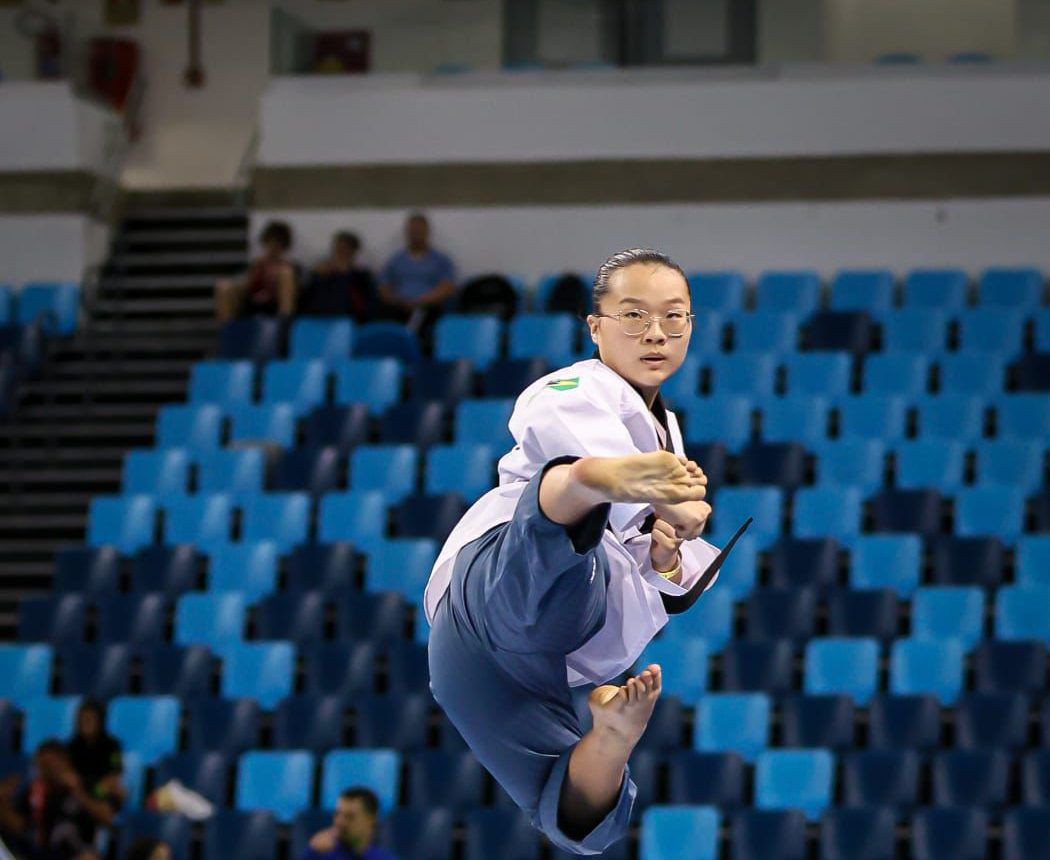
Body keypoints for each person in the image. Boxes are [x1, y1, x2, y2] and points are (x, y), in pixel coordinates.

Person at [425, 249, 748, 855]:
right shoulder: (574, 386)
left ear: (691, 327)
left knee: (577, 827)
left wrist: (668, 553)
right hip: (491, 589)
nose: (656, 332)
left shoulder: (667, 428)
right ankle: (581, 481)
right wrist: (651, 497)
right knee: (551, 561)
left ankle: (613, 739)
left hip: (513, 663)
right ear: (595, 327)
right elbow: (550, 413)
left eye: (674, 318)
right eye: (633, 315)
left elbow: (662, 583)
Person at [0, 739, 112, 860]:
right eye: (44, 765)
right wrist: (2, 802)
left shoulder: (88, 784)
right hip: (37, 854)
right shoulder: (33, 791)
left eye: (53, 763)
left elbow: (108, 817)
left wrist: (79, 793)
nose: (50, 770)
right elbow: (20, 826)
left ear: (65, 761)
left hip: (76, 854)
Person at [377, 213, 456, 331]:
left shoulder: (441, 260)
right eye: (412, 231)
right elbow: (384, 288)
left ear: (427, 232)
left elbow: (447, 287)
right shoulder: (395, 261)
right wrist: (399, 301)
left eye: (419, 231)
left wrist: (422, 301)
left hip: (429, 308)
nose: (415, 234)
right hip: (399, 308)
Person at [215, 220, 298, 321]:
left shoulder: (289, 268)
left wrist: (275, 278)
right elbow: (245, 285)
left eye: (278, 244)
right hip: (252, 300)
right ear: (266, 243)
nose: (273, 247)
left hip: (274, 304)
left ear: (284, 247)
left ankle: (284, 325)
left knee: (286, 273)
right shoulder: (256, 264)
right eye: (271, 243)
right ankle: (228, 330)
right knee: (223, 286)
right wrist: (255, 274)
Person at [298, 787, 397, 860]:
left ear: (371, 820)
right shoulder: (320, 854)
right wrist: (311, 853)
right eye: (337, 814)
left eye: (350, 817)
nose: (340, 822)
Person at [300, 231, 376, 321]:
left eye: (344, 248)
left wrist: (344, 272)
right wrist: (315, 273)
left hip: (346, 316)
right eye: (338, 247)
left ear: (352, 251)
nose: (340, 251)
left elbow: (367, 303)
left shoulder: (362, 275)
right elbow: (304, 294)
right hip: (314, 315)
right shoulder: (319, 270)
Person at [65, 701, 124, 817]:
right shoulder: (71, 746)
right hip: (77, 793)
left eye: (90, 719)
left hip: (101, 792)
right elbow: (69, 776)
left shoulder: (112, 746)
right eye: (82, 719)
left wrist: (97, 790)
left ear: (100, 721)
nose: (85, 722)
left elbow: (114, 774)